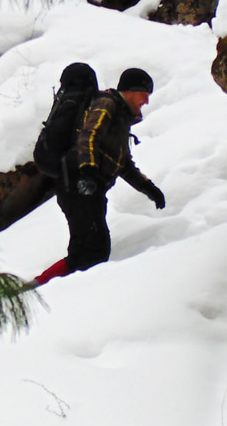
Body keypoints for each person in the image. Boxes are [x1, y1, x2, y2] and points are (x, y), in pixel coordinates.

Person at [33, 67, 165, 285]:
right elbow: (89, 135)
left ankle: (42, 285)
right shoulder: (108, 104)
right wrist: (88, 172)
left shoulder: (120, 117)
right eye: (145, 95)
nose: (146, 102)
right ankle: (50, 288)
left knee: (88, 250)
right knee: (94, 250)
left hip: (88, 188)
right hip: (78, 185)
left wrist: (149, 189)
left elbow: (122, 164)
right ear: (132, 90)